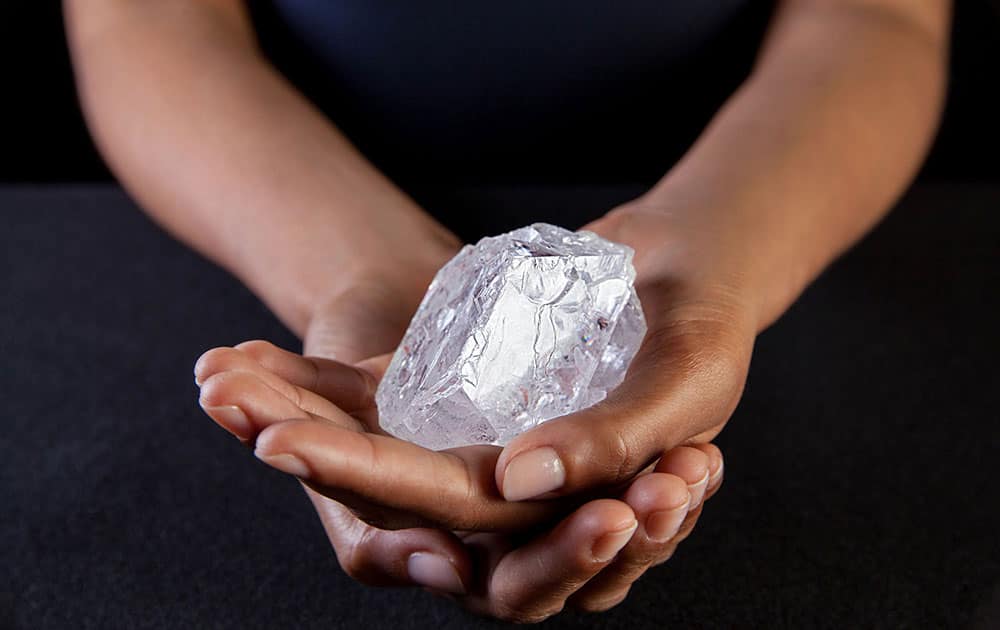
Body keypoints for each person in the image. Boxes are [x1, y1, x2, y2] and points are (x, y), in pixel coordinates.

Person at [64, 0, 951, 622]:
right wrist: (356, 266)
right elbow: (142, 16)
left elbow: (878, 17)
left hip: (771, 204)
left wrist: (715, 255)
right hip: (274, 199)